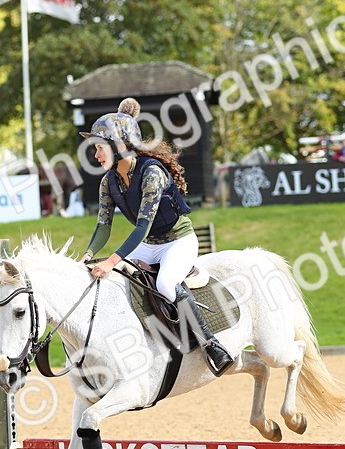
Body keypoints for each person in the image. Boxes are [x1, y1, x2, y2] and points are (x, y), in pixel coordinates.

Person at [80, 97, 233, 376]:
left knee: (164, 284)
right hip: (149, 246)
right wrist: (88, 256)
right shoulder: (108, 181)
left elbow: (141, 227)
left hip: (178, 241)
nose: (96, 155)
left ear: (120, 145)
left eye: (99, 148)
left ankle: (211, 344)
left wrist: (112, 260)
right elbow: (104, 225)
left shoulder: (151, 173)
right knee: (119, 281)